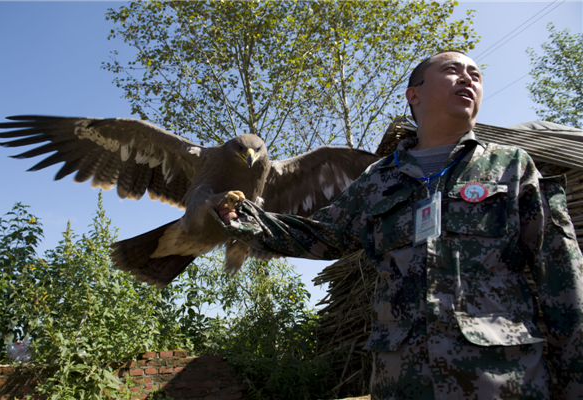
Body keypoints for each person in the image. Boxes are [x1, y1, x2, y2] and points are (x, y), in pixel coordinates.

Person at [214, 51, 583, 399]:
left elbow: (562, 277)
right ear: (414, 94)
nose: (468, 78)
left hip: (502, 381)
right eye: (453, 70)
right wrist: (243, 217)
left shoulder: (511, 166)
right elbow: (322, 235)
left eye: (476, 75)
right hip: (403, 381)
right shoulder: (378, 180)